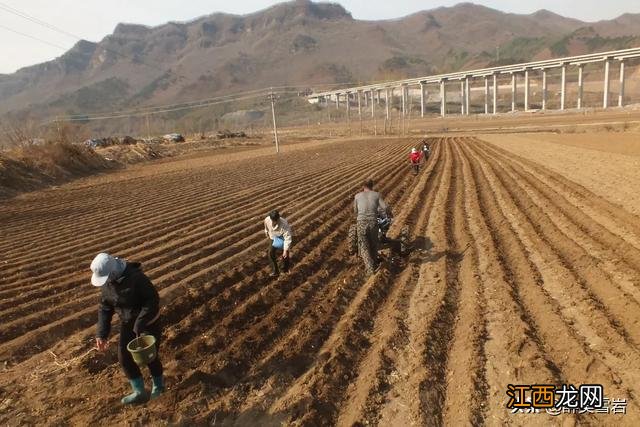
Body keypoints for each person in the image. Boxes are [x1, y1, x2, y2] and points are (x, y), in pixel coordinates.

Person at [91, 252, 164, 405]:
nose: (105, 281)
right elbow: (105, 307)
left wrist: (141, 322)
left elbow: (152, 299)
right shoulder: (108, 282)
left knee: (149, 356)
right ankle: (139, 391)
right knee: (124, 358)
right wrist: (101, 334)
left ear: (113, 272)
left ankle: (159, 386)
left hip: (148, 321)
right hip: (128, 322)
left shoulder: (137, 278)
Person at [354, 180, 389, 275]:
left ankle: (370, 269)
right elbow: (385, 208)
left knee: (364, 246)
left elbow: (355, 210)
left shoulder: (357, 196)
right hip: (373, 222)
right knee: (374, 245)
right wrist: (387, 214)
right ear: (372, 186)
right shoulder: (376, 195)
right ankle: (373, 265)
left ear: (363, 186)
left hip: (361, 222)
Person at [264, 210, 293, 277]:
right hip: (273, 236)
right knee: (270, 253)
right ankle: (275, 271)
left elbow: (287, 237)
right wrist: (266, 233)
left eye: (276, 220)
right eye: (274, 220)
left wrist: (285, 250)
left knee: (285, 255)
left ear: (279, 218)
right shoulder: (267, 220)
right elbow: (266, 227)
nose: (275, 222)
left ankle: (284, 270)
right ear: (271, 219)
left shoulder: (284, 223)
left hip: (282, 237)